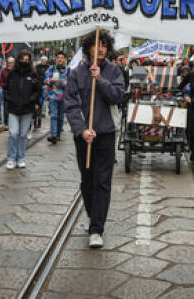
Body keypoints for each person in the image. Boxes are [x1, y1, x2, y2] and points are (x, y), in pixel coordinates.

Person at [65, 30, 125, 248]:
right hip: (84, 136)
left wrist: (100, 80)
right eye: (96, 45)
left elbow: (118, 96)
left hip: (106, 133)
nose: (100, 49)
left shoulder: (113, 70)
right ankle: (93, 217)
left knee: (102, 182)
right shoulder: (76, 73)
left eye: (104, 45)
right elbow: (71, 104)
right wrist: (82, 129)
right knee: (87, 182)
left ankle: (96, 229)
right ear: (88, 47)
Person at [3, 50, 42, 169]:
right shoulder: (12, 73)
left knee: (23, 134)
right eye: (22, 59)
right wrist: (9, 99)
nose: (25, 61)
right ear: (18, 59)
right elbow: (6, 89)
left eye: (27, 59)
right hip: (14, 108)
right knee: (13, 133)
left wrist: (31, 100)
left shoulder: (33, 74)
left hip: (27, 109)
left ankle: (20, 158)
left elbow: (38, 90)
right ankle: (10, 158)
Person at [45, 51, 68, 144]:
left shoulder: (68, 69)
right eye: (58, 57)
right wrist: (50, 81)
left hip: (64, 96)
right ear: (56, 58)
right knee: (54, 115)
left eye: (62, 57)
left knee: (60, 117)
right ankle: (53, 135)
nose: (60, 59)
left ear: (65, 59)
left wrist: (64, 83)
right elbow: (46, 80)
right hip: (53, 95)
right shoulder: (51, 68)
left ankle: (57, 135)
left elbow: (71, 82)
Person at [0, 56, 15, 130]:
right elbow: (0, 81)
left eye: (11, 62)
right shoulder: (4, 71)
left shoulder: (16, 71)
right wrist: (4, 87)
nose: (10, 64)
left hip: (15, 93)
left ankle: (13, 122)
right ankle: (6, 123)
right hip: (7, 93)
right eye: (9, 62)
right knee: (6, 108)